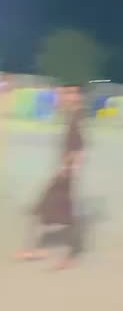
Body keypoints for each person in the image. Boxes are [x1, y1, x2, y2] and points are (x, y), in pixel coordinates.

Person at [15, 85, 85, 269]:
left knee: (56, 213)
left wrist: (69, 169)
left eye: (68, 93)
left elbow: (79, 148)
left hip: (65, 175)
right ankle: (35, 250)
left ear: (77, 96)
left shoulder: (77, 119)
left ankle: (69, 256)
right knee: (47, 210)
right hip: (64, 174)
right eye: (63, 93)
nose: (63, 97)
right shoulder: (73, 116)